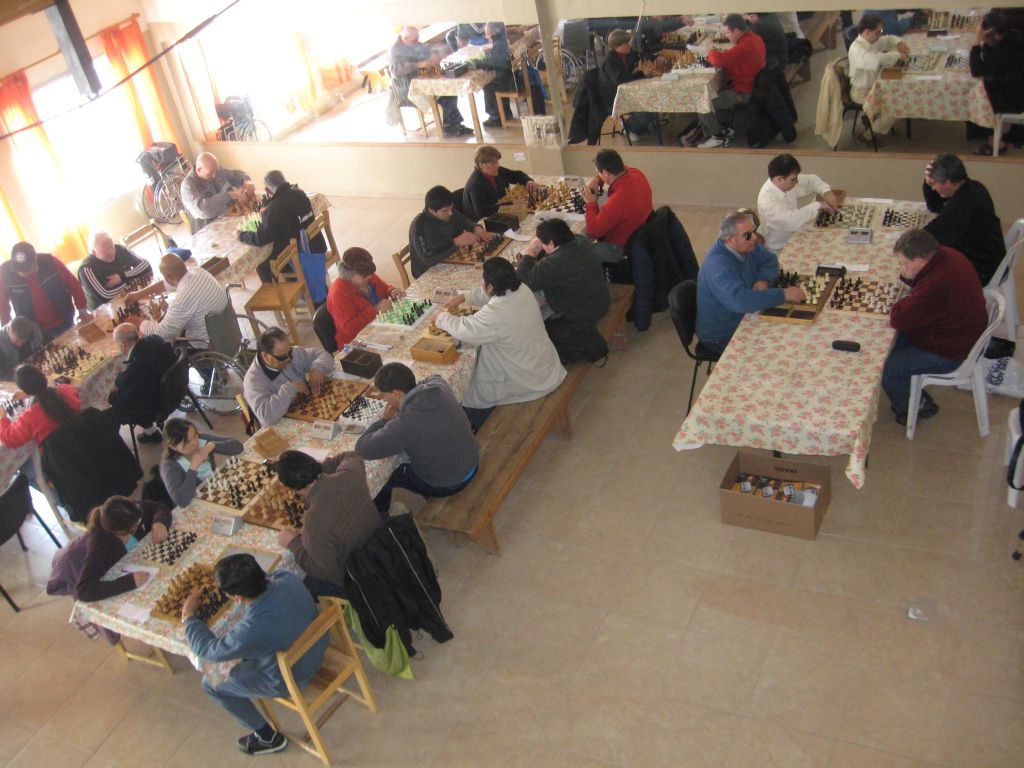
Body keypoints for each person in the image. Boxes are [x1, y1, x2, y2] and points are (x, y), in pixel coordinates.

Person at [184, 554, 328, 756]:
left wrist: (188, 617)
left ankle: (267, 737)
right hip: (318, 644)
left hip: (294, 675)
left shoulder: (249, 631)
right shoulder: (288, 578)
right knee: (243, 654)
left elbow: (207, 650)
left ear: (238, 598)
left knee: (211, 681)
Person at [433, 257, 566, 429]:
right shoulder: (522, 289)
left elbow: (466, 330)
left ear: (490, 286)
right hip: (543, 364)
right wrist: (464, 297)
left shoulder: (496, 312)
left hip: (527, 379)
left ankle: (477, 427)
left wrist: (441, 317)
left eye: (484, 282)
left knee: (469, 398)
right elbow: (492, 294)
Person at [882, 229, 987, 424]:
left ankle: (916, 408)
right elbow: (920, 293)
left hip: (949, 353)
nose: (902, 267)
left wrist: (899, 302)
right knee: (886, 345)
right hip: (961, 333)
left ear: (920, 261)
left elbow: (898, 319)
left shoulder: (936, 284)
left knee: (887, 369)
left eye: (905, 263)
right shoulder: (948, 254)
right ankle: (911, 391)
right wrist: (909, 277)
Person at [355, 362, 479, 515]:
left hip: (450, 483)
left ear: (397, 393)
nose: (385, 400)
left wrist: (384, 420)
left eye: (385, 395)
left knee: (386, 476)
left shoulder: (404, 423)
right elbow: (433, 376)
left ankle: (382, 518)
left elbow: (362, 448)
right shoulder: (439, 386)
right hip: (471, 461)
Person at [696, 211, 806, 354]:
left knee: (796, 333)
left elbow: (770, 259)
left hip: (746, 314)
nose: (754, 237)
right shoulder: (717, 266)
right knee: (783, 348)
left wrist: (763, 279)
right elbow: (740, 301)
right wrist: (783, 294)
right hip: (723, 334)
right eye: (747, 235)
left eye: (753, 231)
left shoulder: (746, 245)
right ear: (730, 239)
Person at [275, 450, 381, 597]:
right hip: (380, 546)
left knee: (301, 583)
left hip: (355, 579)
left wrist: (293, 543)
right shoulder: (351, 474)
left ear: (293, 489)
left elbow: (326, 572)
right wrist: (318, 469)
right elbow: (352, 455)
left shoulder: (314, 521)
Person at [517, 218, 612, 362]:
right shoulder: (581, 241)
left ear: (551, 243)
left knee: (530, 323)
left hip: (582, 314)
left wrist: (528, 254)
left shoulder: (554, 263)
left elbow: (522, 282)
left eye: (544, 244)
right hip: (601, 299)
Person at [62, 496, 167, 602]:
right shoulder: (99, 544)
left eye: (137, 523)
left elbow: (158, 507)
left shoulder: (129, 512)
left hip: (148, 564)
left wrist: (159, 521)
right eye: (132, 529)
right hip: (127, 583)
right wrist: (130, 582)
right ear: (117, 532)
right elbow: (84, 591)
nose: (137, 526)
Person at [922, 153, 1005, 284]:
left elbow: (929, 237)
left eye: (934, 183)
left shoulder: (962, 206)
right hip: (989, 255)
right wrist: (928, 183)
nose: (933, 188)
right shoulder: (974, 187)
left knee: (923, 270)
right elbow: (936, 206)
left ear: (948, 183)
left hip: (983, 269)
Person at [237, 170, 327, 283]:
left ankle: (277, 291)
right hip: (314, 245)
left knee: (261, 263)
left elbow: (260, 238)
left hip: (297, 253)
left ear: (268, 190)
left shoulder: (275, 208)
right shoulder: (300, 193)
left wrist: (241, 235)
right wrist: (269, 208)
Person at [123, 253, 228, 348]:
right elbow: (167, 284)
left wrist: (138, 322)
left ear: (168, 277)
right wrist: (140, 293)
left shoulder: (183, 298)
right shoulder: (198, 271)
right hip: (227, 332)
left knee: (155, 346)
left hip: (207, 345)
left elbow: (163, 334)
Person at [242, 326, 335, 426]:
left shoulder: (291, 353)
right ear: (266, 356)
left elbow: (325, 355)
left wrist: (317, 369)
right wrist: (291, 388)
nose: (288, 359)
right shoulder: (253, 381)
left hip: (308, 412)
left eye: (290, 352)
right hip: (283, 426)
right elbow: (266, 418)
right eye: (282, 357)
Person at [697, 14, 766, 148]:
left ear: (737, 31)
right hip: (751, 85)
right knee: (718, 91)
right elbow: (731, 58)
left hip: (743, 93)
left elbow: (718, 60)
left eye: (728, 32)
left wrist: (710, 50)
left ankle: (718, 137)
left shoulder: (745, 46)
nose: (727, 36)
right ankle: (725, 129)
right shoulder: (754, 38)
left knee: (702, 103)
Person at [389, 26, 471, 137]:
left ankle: (454, 124)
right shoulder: (395, 50)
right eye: (414, 40)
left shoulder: (410, 42)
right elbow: (395, 71)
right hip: (407, 89)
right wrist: (417, 65)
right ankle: (449, 126)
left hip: (421, 81)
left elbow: (425, 48)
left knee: (449, 89)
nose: (416, 42)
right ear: (406, 38)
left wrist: (435, 51)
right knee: (445, 93)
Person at [0, 242, 91, 339]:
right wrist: (7, 331)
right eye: (19, 270)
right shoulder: (4, 273)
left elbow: (73, 285)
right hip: (33, 330)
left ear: (35, 260)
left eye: (26, 269)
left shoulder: (50, 262)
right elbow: (2, 305)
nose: (23, 273)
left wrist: (82, 310)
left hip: (64, 319)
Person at [106, 323, 177, 443]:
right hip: (174, 389)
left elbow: (127, 393)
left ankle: (150, 433)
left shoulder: (136, 368)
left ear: (122, 344)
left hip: (157, 402)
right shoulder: (155, 338)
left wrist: (111, 395)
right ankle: (150, 431)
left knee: (113, 401)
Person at [582, 149, 654, 264]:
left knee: (579, 252)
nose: (599, 174)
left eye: (599, 172)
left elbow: (593, 231)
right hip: (639, 231)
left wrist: (591, 203)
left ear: (605, 173)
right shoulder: (636, 173)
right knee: (581, 239)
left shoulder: (618, 199)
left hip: (621, 247)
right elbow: (624, 168)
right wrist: (597, 179)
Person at [756, 154, 839, 253]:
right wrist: (818, 205)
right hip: (779, 248)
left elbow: (812, 180)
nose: (796, 181)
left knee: (830, 243)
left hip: (796, 236)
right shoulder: (766, 202)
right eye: (793, 179)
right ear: (779, 179)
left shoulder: (785, 182)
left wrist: (826, 192)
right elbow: (791, 222)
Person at [848, 13, 910, 146]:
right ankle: (867, 133)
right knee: (897, 107)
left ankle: (871, 124)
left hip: (874, 86)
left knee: (900, 97)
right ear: (867, 32)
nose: (880, 35)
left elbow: (888, 39)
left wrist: (898, 42)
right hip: (861, 92)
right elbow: (876, 60)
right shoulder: (856, 49)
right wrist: (898, 55)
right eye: (878, 32)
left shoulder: (872, 40)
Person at [325, 247, 404, 349]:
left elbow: (384, 287)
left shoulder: (366, 275)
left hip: (381, 326)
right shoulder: (338, 295)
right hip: (357, 342)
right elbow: (349, 329)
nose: (370, 277)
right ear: (349, 276)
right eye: (365, 277)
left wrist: (391, 291)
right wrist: (375, 310)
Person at [969, 11, 1024, 154]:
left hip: (1015, 97)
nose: (985, 38)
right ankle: (997, 134)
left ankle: (996, 141)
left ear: (998, 34)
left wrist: (976, 43)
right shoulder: (1013, 35)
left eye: (987, 35)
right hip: (1013, 86)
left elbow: (977, 71)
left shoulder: (1008, 48)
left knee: (976, 98)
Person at [409, 186, 494, 278]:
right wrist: (456, 242)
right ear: (432, 210)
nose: (451, 213)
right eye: (445, 210)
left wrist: (476, 228)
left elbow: (463, 222)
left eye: (451, 208)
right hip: (429, 271)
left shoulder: (448, 210)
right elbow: (427, 259)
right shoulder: (419, 226)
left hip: (451, 258)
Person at [160, 418, 243, 508]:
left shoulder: (201, 440)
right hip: (194, 505)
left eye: (195, 435)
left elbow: (238, 446)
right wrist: (193, 467)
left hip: (216, 491)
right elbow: (182, 501)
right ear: (173, 447)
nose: (195, 443)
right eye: (187, 442)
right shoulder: (169, 466)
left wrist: (214, 445)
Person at [0, 363, 79, 448]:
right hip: (82, 440)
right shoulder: (66, 390)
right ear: (44, 376)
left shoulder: (30, 418)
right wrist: (33, 393)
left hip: (60, 454)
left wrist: (2, 417)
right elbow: (54, 394)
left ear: (24, 390)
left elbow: (8, 439)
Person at [598, 29, 656, 142]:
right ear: (617, 46)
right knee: (648, 108)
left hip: (627, 92)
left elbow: (641, 55)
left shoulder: (627, 54)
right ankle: (629, 127)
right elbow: (621, 80)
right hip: (614, 98)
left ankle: (637, 125)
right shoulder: (610, 61)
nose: (629, 45)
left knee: (654, 103)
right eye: (626, 43)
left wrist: (655, 58)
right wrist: (641, 74)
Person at [77, 230, 153, 310]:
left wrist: (122, 276)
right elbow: (105, 297)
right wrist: (132, 280)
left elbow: (146, 265)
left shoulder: (119, 249)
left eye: (111, 246)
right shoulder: (85, 269)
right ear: (94, 252)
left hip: (129, 299)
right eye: (106, 250)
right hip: (103, 311)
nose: (111, 252)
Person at [180, 152, 254, 229]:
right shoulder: (187, 186)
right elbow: (203, 210)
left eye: (216, 171)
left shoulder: (215, 170)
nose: (215, 175)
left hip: (228, 220)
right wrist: (230, 195)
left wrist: (247, 181)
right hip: (207, 230)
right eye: (210, 174)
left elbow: (236, 174)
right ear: (199, 170)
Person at [462, 145, 535, 220]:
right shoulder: (475, 186)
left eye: (497, 161)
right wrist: (511, 204)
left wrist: (528, 181)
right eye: (493, 163)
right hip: (482, 221)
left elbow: (515, 175)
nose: (497, 165)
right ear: (481, 165)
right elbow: (482, 211)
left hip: (501, 212)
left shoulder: (495, 171)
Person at [479, 22, 516, 128]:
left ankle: (495, 117)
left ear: (492, 33)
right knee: (493, 81)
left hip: (507, 82)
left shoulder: (499, 44)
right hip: (510, 77)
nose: (486, 36)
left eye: (487, 33)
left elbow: (492, 63)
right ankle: (505, 113)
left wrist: (477, 63)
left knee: (487, 84)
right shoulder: (502, 40)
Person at [0, 316, 43, 381]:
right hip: (13, 380)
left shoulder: (33, 329)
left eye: (23, 342)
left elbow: (41, 347)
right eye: (16, 341)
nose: (19, 345)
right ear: (9, 331)